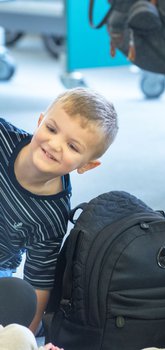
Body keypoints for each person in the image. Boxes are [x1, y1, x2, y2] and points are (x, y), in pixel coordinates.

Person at [0, 87, 118, 335]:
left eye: (73, 146)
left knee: (19, 297)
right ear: (40, 121)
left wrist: (24, 336)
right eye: (52, 129)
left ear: (87, 165)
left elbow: (38, 284)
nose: (54, 145)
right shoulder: (3, 137)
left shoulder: (52, 217)